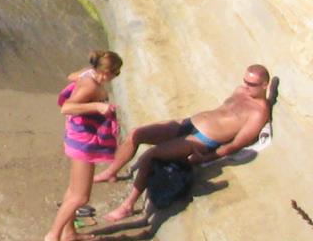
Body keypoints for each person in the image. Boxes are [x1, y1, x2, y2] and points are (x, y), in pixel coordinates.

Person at [96, 64, 272, 223]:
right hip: (190, 123)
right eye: (245, 81)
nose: (247, 86)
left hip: (202, 140)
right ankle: (111, 172)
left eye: (252, 84)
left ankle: (128, 206)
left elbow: (235, 145)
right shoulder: (240, 90)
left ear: (265, 85)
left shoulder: (259, 112)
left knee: (151, 155)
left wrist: (206, 158)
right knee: (136, 134)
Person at [42, 51, 122, 241]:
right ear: (105, 73)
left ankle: (69, 232)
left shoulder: (88, 74)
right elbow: (67, 108)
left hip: (80, 136)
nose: (117, 75)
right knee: (81, 196)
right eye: (116, 73)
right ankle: (53, 236)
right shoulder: (90, 85)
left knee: (73, 190)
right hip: (83, 143)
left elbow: (71, 76)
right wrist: (97, 105)